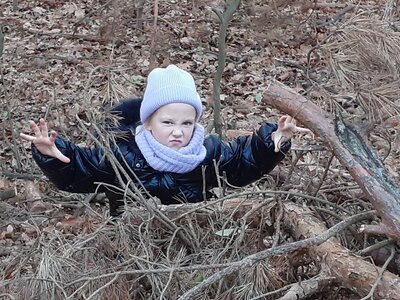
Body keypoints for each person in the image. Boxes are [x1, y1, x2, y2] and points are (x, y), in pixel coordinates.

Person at [20, 65, 309, 216]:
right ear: (147, 122)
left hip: (192, 238)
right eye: (167, 122)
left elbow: (243, 163)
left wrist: (274, 141)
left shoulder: (209, 152)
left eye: (187, 122)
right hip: (130, 244)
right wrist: (51, 153)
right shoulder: (122, 152)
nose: (178, 131)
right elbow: (80, 171)